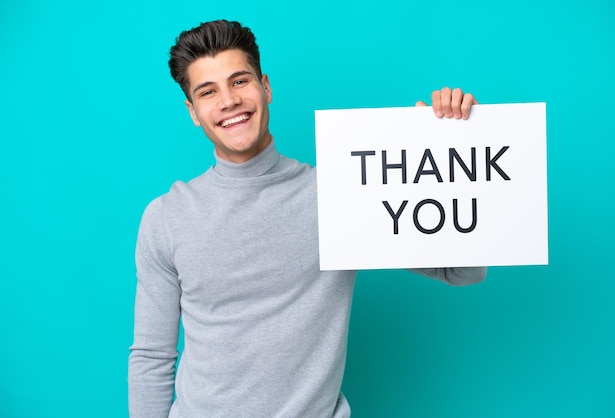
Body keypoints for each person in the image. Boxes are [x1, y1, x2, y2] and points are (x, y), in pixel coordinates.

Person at [128, 19, 486, 418]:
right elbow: (151, 356)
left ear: (266, 87)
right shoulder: (167, 217)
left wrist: (450, 149)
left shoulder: (343, 193)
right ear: (193, 111)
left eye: (240, 81)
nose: (228, 101)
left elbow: (462, 271)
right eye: (208, 92)